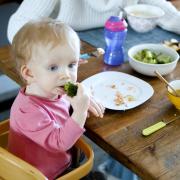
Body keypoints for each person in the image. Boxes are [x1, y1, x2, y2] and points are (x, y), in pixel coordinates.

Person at [8, 19, 105, 180]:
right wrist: (80, 111)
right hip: (45, 174)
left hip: (64, 160)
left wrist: (85, 98)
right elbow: (60, 143)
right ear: (29, 73)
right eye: (53, 67)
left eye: (71, 64)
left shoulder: (52, 88)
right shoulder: (27, 111)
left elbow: (66, 102)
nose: (66, 75)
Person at [7, 0, 180, 43]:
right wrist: (47, 46)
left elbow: (159, 7)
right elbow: (19, 22)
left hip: (115, 44)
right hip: (62, 50)